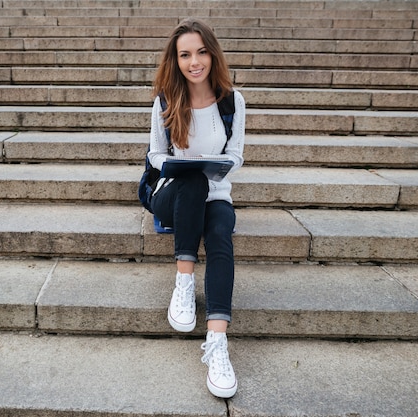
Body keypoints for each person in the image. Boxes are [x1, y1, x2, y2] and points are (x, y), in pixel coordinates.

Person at [147, 18, 245, 398]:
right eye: (185, 54)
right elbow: (155, 153)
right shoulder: (165, 101)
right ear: (176, 59)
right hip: (173, 195)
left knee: (220, 233)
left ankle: (217, 343)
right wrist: (176, 165)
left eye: (201, 52)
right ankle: (184, 282)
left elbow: (235, 155)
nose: (194, 62)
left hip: (217, 193)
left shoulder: (232, 101)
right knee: (192, 179)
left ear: (212, 54)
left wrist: (215, 162)